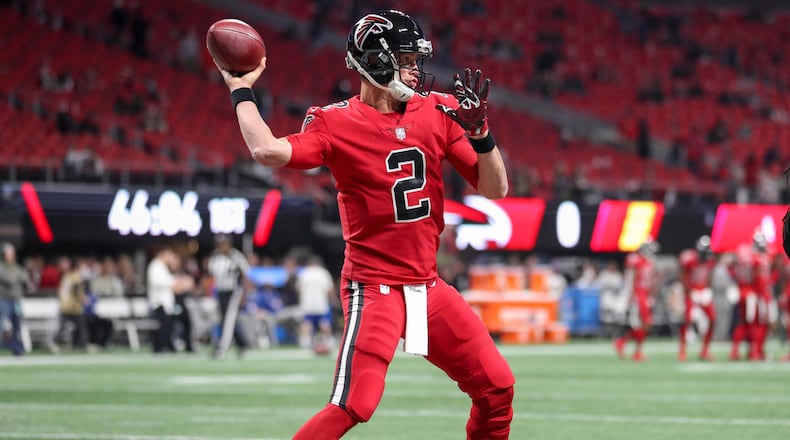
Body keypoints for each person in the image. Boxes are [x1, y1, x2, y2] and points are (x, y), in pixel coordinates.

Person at [214, 9, 513, 438]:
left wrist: (482, 134)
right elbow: (268, 151)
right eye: (407, 60)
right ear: (375, 61)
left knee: (497, 388)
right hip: (374, 287)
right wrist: (241, 91)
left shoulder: (439, 110)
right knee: (354, 405)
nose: (416, 71)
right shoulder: (335, 121)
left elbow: (495, 188)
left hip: (428, 286)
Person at [727, 230, 772, 361]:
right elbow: (758, 279)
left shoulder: (744, 254)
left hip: (745, 292)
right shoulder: (756, 259)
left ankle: (743, 351)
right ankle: (754, 351)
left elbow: (732, 267)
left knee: (747, 322)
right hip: (754, 293)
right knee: (755, 323)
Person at [207, 234, 250, 358]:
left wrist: (244, 294)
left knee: (228, 320)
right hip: (220, 291)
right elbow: (211, 276)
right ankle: (242, 344)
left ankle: (222, 347)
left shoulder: (235, 256)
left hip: (233, 292)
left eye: (223, 243)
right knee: (225, 319)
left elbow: (246, 275)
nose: (222, 246)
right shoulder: (215, 257)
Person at [614, 238, 658, 362]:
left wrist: (651, 295)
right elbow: (630, 279)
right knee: (645, 323)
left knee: (644, 324)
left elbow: (651, 282)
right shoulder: (636, 260)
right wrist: (630, 295)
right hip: (638, 294)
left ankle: (622, 342)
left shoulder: (649, 263)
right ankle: (636, 352)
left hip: (645, 294)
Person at [147, 246, 193, 353]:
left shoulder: (162, 266)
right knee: (163, 327)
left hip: (167, 303)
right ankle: (159, 348)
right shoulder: (156, 266)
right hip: (160, 302)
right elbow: (163, 283)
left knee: (167, 326)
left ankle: (167, 347)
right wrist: (180, 284)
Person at [678, 235, 717, 361]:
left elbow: (709, 276)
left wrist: (708, 289)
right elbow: (682, 276)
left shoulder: (710, 261)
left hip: (703, 291)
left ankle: (705, 350)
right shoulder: (689, 260)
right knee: (687, 320)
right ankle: (683, 350)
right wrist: (687, 290)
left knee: (712, 319)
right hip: (692, 291)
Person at [295, 254, 336, 352]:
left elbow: (298, 289)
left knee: (306, 323)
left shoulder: (304, 273)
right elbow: (329, 290)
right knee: (324, 323)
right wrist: (332, 300)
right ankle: (329, 341)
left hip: (307, 304)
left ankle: (305, 343)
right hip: (321, 304)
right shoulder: (323, 273)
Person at [0, 243, 27, 356]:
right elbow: (9, 280)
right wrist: (18, 277)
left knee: (17, 324)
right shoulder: (2, 266)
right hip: (4, 299)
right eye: (9, 254)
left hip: (16, 300)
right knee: (1, 324)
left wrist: (18, 277)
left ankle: (17, 349)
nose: (11, 256)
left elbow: (25, 277)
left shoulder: (16, 266)